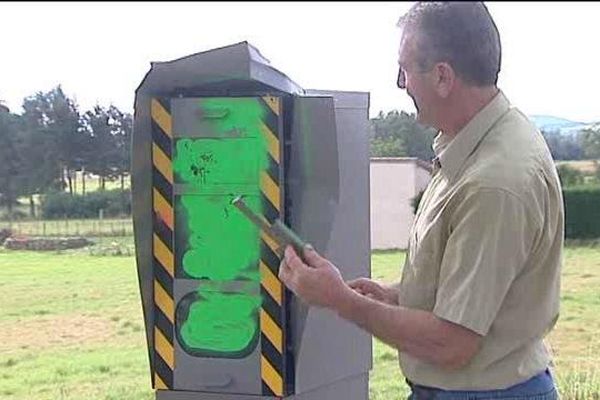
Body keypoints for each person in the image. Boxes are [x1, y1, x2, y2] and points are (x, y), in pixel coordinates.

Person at [278, 2, 563, 399]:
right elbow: (475, 293)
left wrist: (340, 300)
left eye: (405, 69)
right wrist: (396, 297)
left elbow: (452, 344)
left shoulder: (493, 183)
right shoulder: (477, 145)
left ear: (443, 77)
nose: (400, 83)